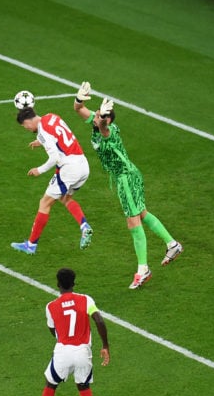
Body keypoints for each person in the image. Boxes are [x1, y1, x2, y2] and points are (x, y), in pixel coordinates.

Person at [74, 82, 183, 289]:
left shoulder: (108, 131)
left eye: (98, 116)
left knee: (133, 222)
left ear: (105, 121)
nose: (95, 116)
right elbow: (78, 109)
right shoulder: (95, 124)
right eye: (96, 114)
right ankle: (172, 244)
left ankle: (143, 269)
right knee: (141, 213)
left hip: (125, 177)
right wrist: (79, 98)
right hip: (129, 174)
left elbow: (104, 128)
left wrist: (103, 120)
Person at [30, 268, 110, 396]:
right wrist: (105, 346)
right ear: (74, 283)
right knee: (84, 387)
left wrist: (63, 337)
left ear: (58, 284)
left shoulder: (51, 306)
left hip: (63, 351)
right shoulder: (85, 299)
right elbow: (99, 320)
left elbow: (53, 329)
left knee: (50, 385)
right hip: (83, 352)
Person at [12, 103, 94, 255]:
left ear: (28, 121)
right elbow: (60, 136)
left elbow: (54, 157)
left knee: (44, 202)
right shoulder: (52, 116)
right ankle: (84, 227)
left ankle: (31, 245)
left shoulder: (42, 132)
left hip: (69, 168)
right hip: (83, 165)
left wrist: (39, 170)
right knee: (65, 198)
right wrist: (41, 141)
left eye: (25, 126)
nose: (26, 129)